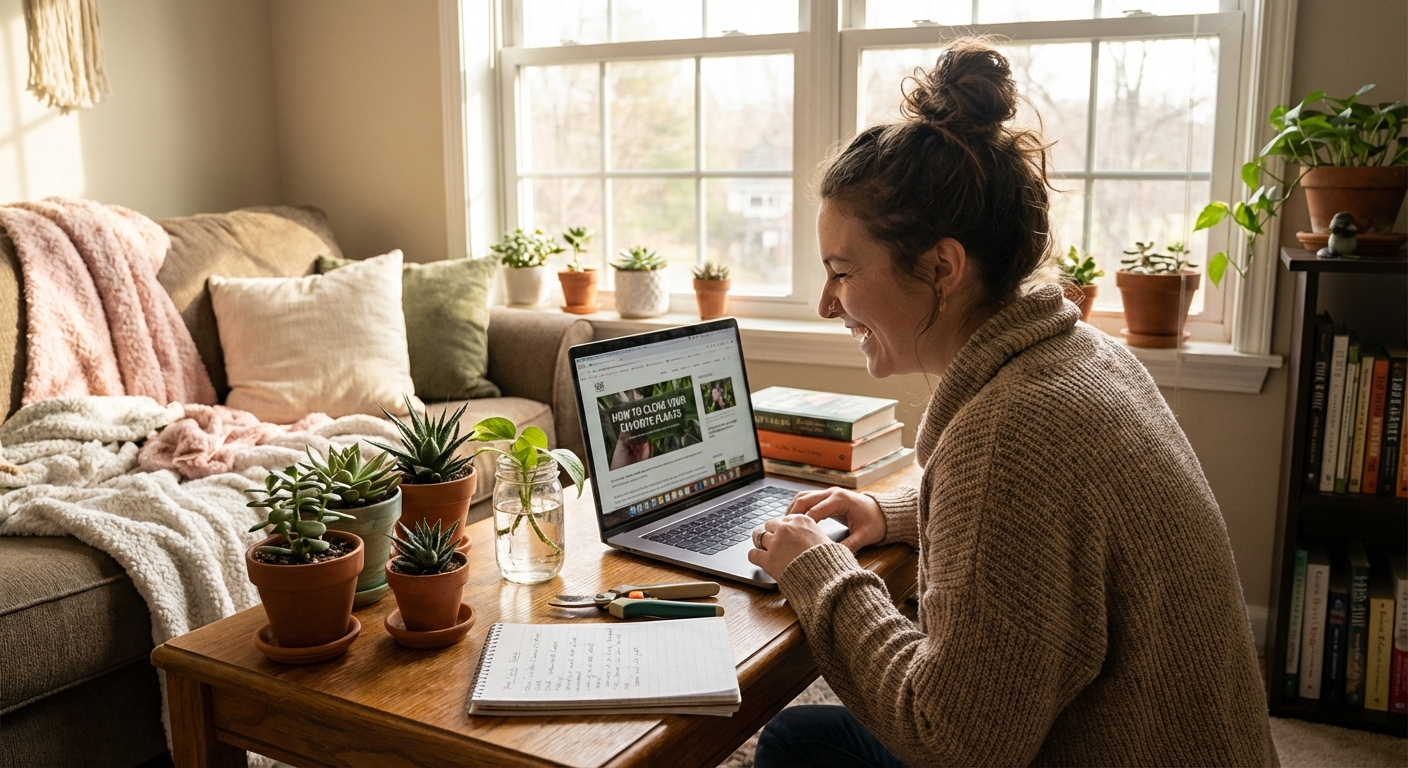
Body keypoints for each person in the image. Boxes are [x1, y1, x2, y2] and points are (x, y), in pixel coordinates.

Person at [746, 39, 1276, 767]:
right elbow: (1043, 545)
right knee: (804, 735)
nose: (825, 304)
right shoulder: (1084, 356)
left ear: (941, 267)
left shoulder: (1009, 438)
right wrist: (895, 513)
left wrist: (822, 576)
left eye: (841, 271)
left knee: (796, 748)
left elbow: (952, 740)